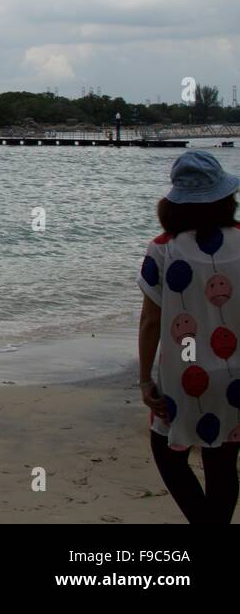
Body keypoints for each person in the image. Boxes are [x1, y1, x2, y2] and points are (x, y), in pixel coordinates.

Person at [137, 149, 240, 524]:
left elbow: (151, 321)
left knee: (167, 453)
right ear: (226, 197)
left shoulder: (162, 249)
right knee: (224, 459)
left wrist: (145, 379)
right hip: (236, 375)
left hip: (182, 375)